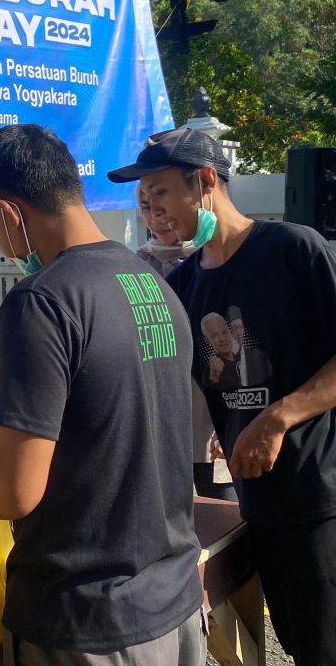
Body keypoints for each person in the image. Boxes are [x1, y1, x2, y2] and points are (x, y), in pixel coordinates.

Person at [0, 125, 206, 666]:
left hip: (85, 620)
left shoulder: (40, 302)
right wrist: (5, 443)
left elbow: (11, 494)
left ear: (11, 213)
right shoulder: (152, 282)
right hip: (176, 601)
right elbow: (118, 420)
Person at [108, 127, 336, 666]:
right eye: (143, 201)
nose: (151, 211)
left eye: (161, 193)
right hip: (251, 498)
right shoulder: (186, 282)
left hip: (317, 492)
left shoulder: (292, 248)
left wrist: (277, 417)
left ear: (206, 181)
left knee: (325, 651)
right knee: (276, 639)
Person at [139, 185, 236, 501]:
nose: (156, 217)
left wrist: (234, 423)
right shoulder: (135, 267)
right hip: (164, 422)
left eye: (161, 203)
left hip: (213, 422)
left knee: (225, 509)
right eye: (145, 207)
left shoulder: (216, 261)